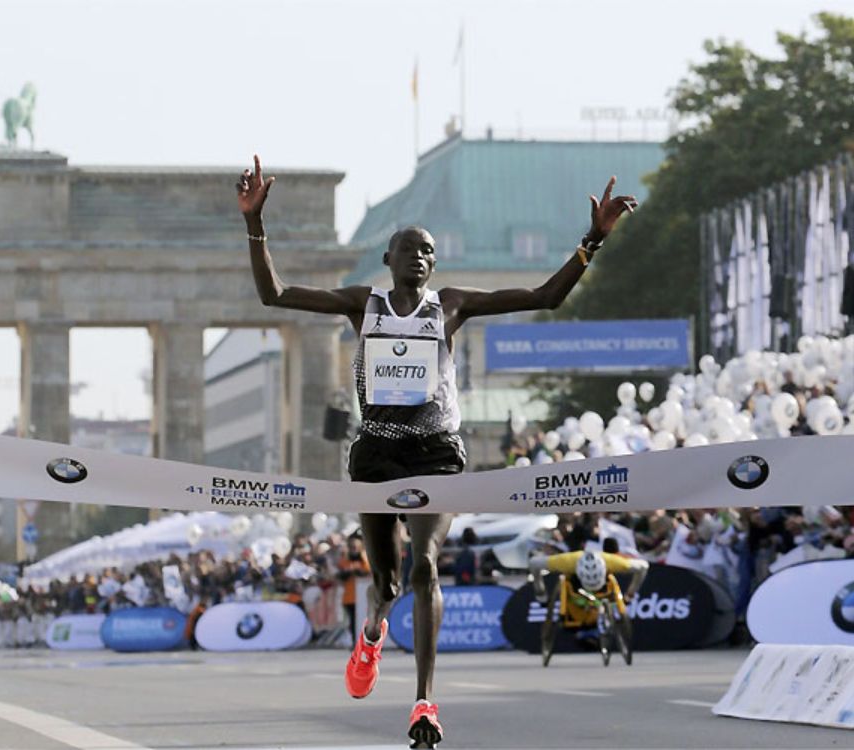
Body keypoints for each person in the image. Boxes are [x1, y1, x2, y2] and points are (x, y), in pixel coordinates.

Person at [237, 154, 636, 747]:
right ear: (387, 260)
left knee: (425, 567)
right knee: (389, 583)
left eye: (428, 251)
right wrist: (254, 223)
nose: (420, 257)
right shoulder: (360, 305)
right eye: (409, 249)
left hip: (437, 454)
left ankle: (423, 702)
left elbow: (545, 297)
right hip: (375, 454)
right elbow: (274, 295)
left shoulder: (450, 305)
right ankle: (372, 631)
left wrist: (592, 242)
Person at [528, 549, 648, 647]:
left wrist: (630, 594)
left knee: (609, 590)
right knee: (569, 589)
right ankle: (585, 630)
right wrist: (541, 593)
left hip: (604, 589)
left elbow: (643, 566)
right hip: (576, 591)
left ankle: (594, 626)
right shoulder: (567, 561)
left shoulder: (612, 562)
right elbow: (534, 563)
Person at [337, 533, 371, 647]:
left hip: (364, 597)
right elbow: (340, 575)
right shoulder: (345, 560)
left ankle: (366, 641)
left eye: (356, 547)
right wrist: (349, 571)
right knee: (353, 621)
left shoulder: (365, 559)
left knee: (364, 620)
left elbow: (368, 572)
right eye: (351, 547)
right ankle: (354, 641)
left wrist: (363, 558)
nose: (353, 550)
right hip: (350, 597)